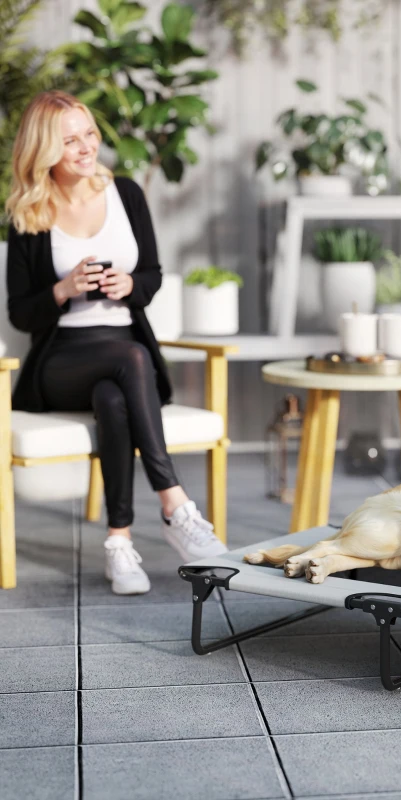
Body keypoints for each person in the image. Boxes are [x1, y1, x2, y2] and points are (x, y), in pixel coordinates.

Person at [4, 90, 227, 595]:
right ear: (43, 151)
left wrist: (130, 286)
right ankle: (175, 504)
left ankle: (119, 544)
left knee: (114, 393)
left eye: (89, 134)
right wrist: (65, 289)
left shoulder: (125, 193)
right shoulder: (29, 214)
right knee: (130, 357)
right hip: (61, 361)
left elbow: (152, 274)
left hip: (124, 356)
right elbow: (21, 311)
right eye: (69, 141)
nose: (86, 148)